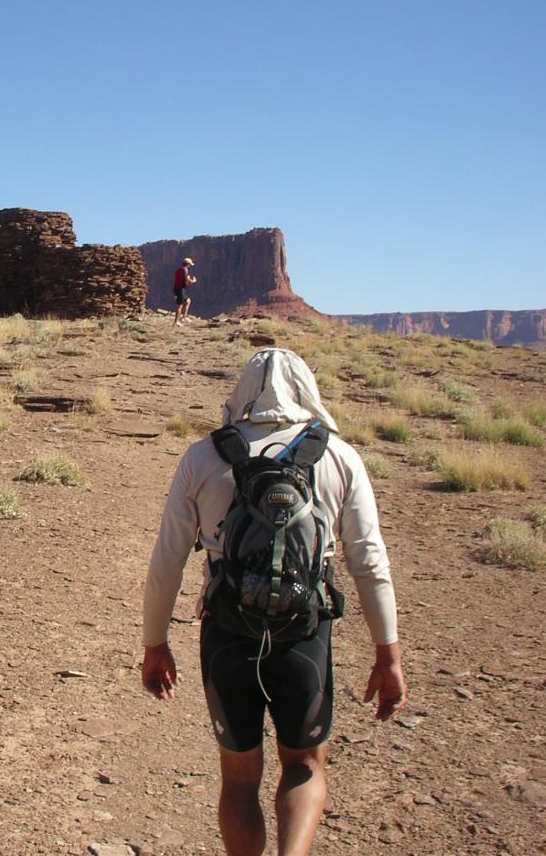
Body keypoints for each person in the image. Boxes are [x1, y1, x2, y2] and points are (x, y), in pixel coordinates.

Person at [141, 347, 407, 856]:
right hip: (303, 635)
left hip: (227, 632)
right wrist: (387, 655)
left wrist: (155, 644)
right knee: (305, 765)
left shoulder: (203, 457)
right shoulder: (338, 456)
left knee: (239, 780)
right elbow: (370, 563)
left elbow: (166, 563)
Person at [172, 257, 197, 325]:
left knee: (188, 301)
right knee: (179, 305)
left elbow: (179, 279)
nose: (190, 266)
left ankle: (184, 317)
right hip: (180, 289)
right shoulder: (184, 270)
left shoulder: (179, 270)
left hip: (177, 288)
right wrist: (192, 281)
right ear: (187, 264)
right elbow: (185, 280)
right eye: (190, 265)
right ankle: (176, 322)